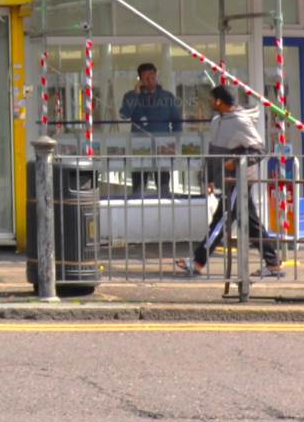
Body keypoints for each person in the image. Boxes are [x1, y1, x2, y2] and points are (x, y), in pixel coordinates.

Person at [182, 85, 282, 277]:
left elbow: (260, 150)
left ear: (219, 101)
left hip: (240, 179)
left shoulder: (240, 122)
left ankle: (198, 262)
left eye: (212, 99)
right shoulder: (217, 121)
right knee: (251, 223)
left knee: (221, 220)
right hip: (227, 179)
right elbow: (213, 151)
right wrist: (210, 178)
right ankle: (273, 264)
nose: (210, 102)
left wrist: (235, 162)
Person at [118, 62, 181, 195]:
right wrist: (136, 94)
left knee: (163, 183)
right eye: (146, 78)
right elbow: (124, 115)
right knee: (138, 185)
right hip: (139, 145)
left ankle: (165, 209)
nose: (150, 81)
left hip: (162, 144)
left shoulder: (167, 97)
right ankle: (136, 209)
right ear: (140, 79)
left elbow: (177, 121)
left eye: (152, 77)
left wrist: (176, 141)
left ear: (156, 75)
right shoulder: (131, 96)